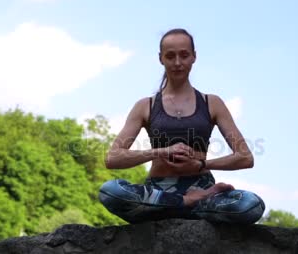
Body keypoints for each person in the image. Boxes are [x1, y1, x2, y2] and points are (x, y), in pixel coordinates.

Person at [98, 28, 265, 224]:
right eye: (170, 56)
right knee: (110, 192)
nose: (178, 62)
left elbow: (245, 157)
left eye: (184, 55)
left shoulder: (212, 103)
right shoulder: (145, 106)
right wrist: (160, 152)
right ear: (161, 59)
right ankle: (185, 202)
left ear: (194, 57)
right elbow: (113, 158)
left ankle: (177, 206)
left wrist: (202, 164)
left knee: (250, 205)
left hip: (202, 190)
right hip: (158, 192)